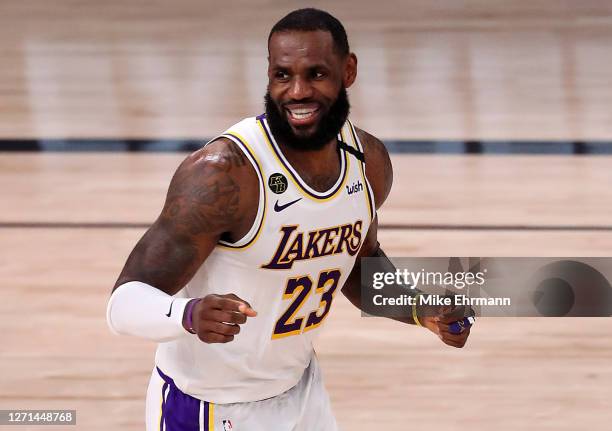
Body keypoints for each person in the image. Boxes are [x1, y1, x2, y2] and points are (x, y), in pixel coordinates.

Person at [106, 8, 471, 430]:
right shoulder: (224, 173)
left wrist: (418, 309)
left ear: (347, 70)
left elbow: (357, 264)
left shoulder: (367, 162)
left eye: (316, 74)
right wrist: (187, 314)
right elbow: (123, 303)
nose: (297, 91)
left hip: (302, 393)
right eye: (283, 75)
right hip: (209, 407)